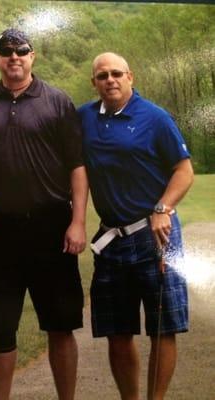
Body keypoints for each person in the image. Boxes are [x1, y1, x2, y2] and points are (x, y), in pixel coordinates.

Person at [0, 28, 88, 400]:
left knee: (60, 324)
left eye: (21, 50)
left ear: (32, 56)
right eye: (5, 51)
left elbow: (77, 166)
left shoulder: (57, 101)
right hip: (0, 229)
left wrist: (78, 221)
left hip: (52, 225)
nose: (14, 56)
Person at [78, 52, 194, 400]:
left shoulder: (155, 117)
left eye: (117, 73)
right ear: (94, 82)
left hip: (155, 236)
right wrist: (2, 90)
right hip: (111, 239)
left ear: (131, 76)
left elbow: (183, 170)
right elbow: (44, 121)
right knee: (117, 330)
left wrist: (164, 207)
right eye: (102, 76)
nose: (110, 80)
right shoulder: (82, 117)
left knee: (162, 327)